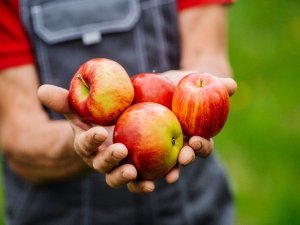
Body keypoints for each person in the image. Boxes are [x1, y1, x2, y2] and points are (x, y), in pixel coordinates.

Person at [0, 0, 237, 224]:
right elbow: (20, 133)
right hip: (59, 213)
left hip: (190, 203)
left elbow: (207, 56)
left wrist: (197, 97)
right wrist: (86, 142)